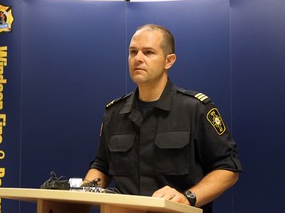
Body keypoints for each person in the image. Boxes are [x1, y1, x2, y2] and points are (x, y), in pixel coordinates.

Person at [84, 24, 242, 213]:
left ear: (169, 61)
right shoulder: (114, 113)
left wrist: (188, 198)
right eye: (133, 52)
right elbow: (102, 165)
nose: (138, 59)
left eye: (148, 52)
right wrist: (83, 189)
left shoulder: (196, 109)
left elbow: (228, 168)